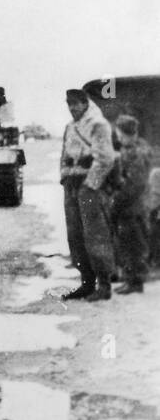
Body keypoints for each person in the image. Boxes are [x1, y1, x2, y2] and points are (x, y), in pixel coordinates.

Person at [60, 88, 118, 301]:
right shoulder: (69, 127)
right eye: (69, 104)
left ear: (85, 104)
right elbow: (64, 154)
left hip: (89, 185)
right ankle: (86, 283)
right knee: (75, 235)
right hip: (72, 184)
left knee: (96, 235)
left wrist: (90, 184)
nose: (72, 107)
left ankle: (104, 285)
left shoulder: (98, 124)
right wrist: (64, 177)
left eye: (76, 103)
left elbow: (106, 158)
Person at [111, 115, 152, 294]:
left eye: (119, 133)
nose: (118, 137)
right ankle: (130, 279)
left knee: (133, 244)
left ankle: (135, 282)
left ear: (125, 132)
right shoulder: (133, 148)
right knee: (127, 243)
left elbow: (134, 184)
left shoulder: (138, 152)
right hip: (131, 205)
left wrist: (116, 201)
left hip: (133, 206)